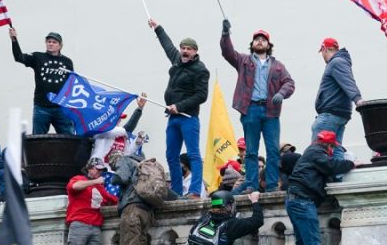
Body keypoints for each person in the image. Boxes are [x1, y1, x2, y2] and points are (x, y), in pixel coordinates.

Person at [220, 20, 295, 194]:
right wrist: (225, 34)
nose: (260, 41)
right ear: (252, 44)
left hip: (271, 112)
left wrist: (281, 93)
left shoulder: (277, 66)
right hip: (251, 109)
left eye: (263, 39)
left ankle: (271, 186)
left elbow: (290, 83)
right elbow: (227, 52)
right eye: (256, 39)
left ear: (268, 45)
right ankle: (252, 185)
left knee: (272, 151)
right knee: (251, 152)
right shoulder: (243, 61)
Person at [285, 130, 356, 245]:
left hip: (295, 200)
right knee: (313, 242)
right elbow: (331, 166)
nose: (332, 151)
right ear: (329, 145)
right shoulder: (316, 152)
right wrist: (351, 163)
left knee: (302, 244)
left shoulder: (311, 152)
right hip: (302, 201)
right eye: (332, 148)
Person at [148, 18, 210, 198]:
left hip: (188, 117)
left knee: (193, 154)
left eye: (188, 48)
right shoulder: (176, 59)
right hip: (173, 117)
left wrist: (179, 106)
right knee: (171, 155)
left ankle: (194, 191)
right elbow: (166, 45)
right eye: (183, 47)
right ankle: (175, 190)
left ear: (195, 52)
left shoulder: (200, 70)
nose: (184, 50)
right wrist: (158, 28)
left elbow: (201, 96)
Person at [111, 150, 158, 245]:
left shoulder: (124, 161)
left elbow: (120, 178)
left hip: (132, 210)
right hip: (147, 213)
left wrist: (113, 176)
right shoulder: (146, 168)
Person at [9, 27, 74, 134]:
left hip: (61, 107)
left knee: (70, 139)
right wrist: (14, 40)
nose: (51, 44)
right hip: (42, 107)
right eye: (48, 41)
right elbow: (19, 57)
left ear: (60, 45)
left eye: (54, 42)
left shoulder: (67, 62)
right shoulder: (38, 57)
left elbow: (71, 84)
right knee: (38, 140)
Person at [312, 38, 364, 162]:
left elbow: (348, 82)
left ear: (324, 49)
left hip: (330, 115)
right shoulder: (341, 62)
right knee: (336, 149)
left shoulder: (336, 62)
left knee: (318, 151)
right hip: (339, 114)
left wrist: (358, 99)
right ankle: (337, 179)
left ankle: (320, 181)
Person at [89, 95, 147, 166]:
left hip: (115, 171)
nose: (119, 120)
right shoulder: (102, 131)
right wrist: (125, 131)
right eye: (117, 118)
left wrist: (137, 143)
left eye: (120, 119)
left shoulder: (122, 135)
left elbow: (127, 153)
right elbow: (111, 131)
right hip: (100, 170)